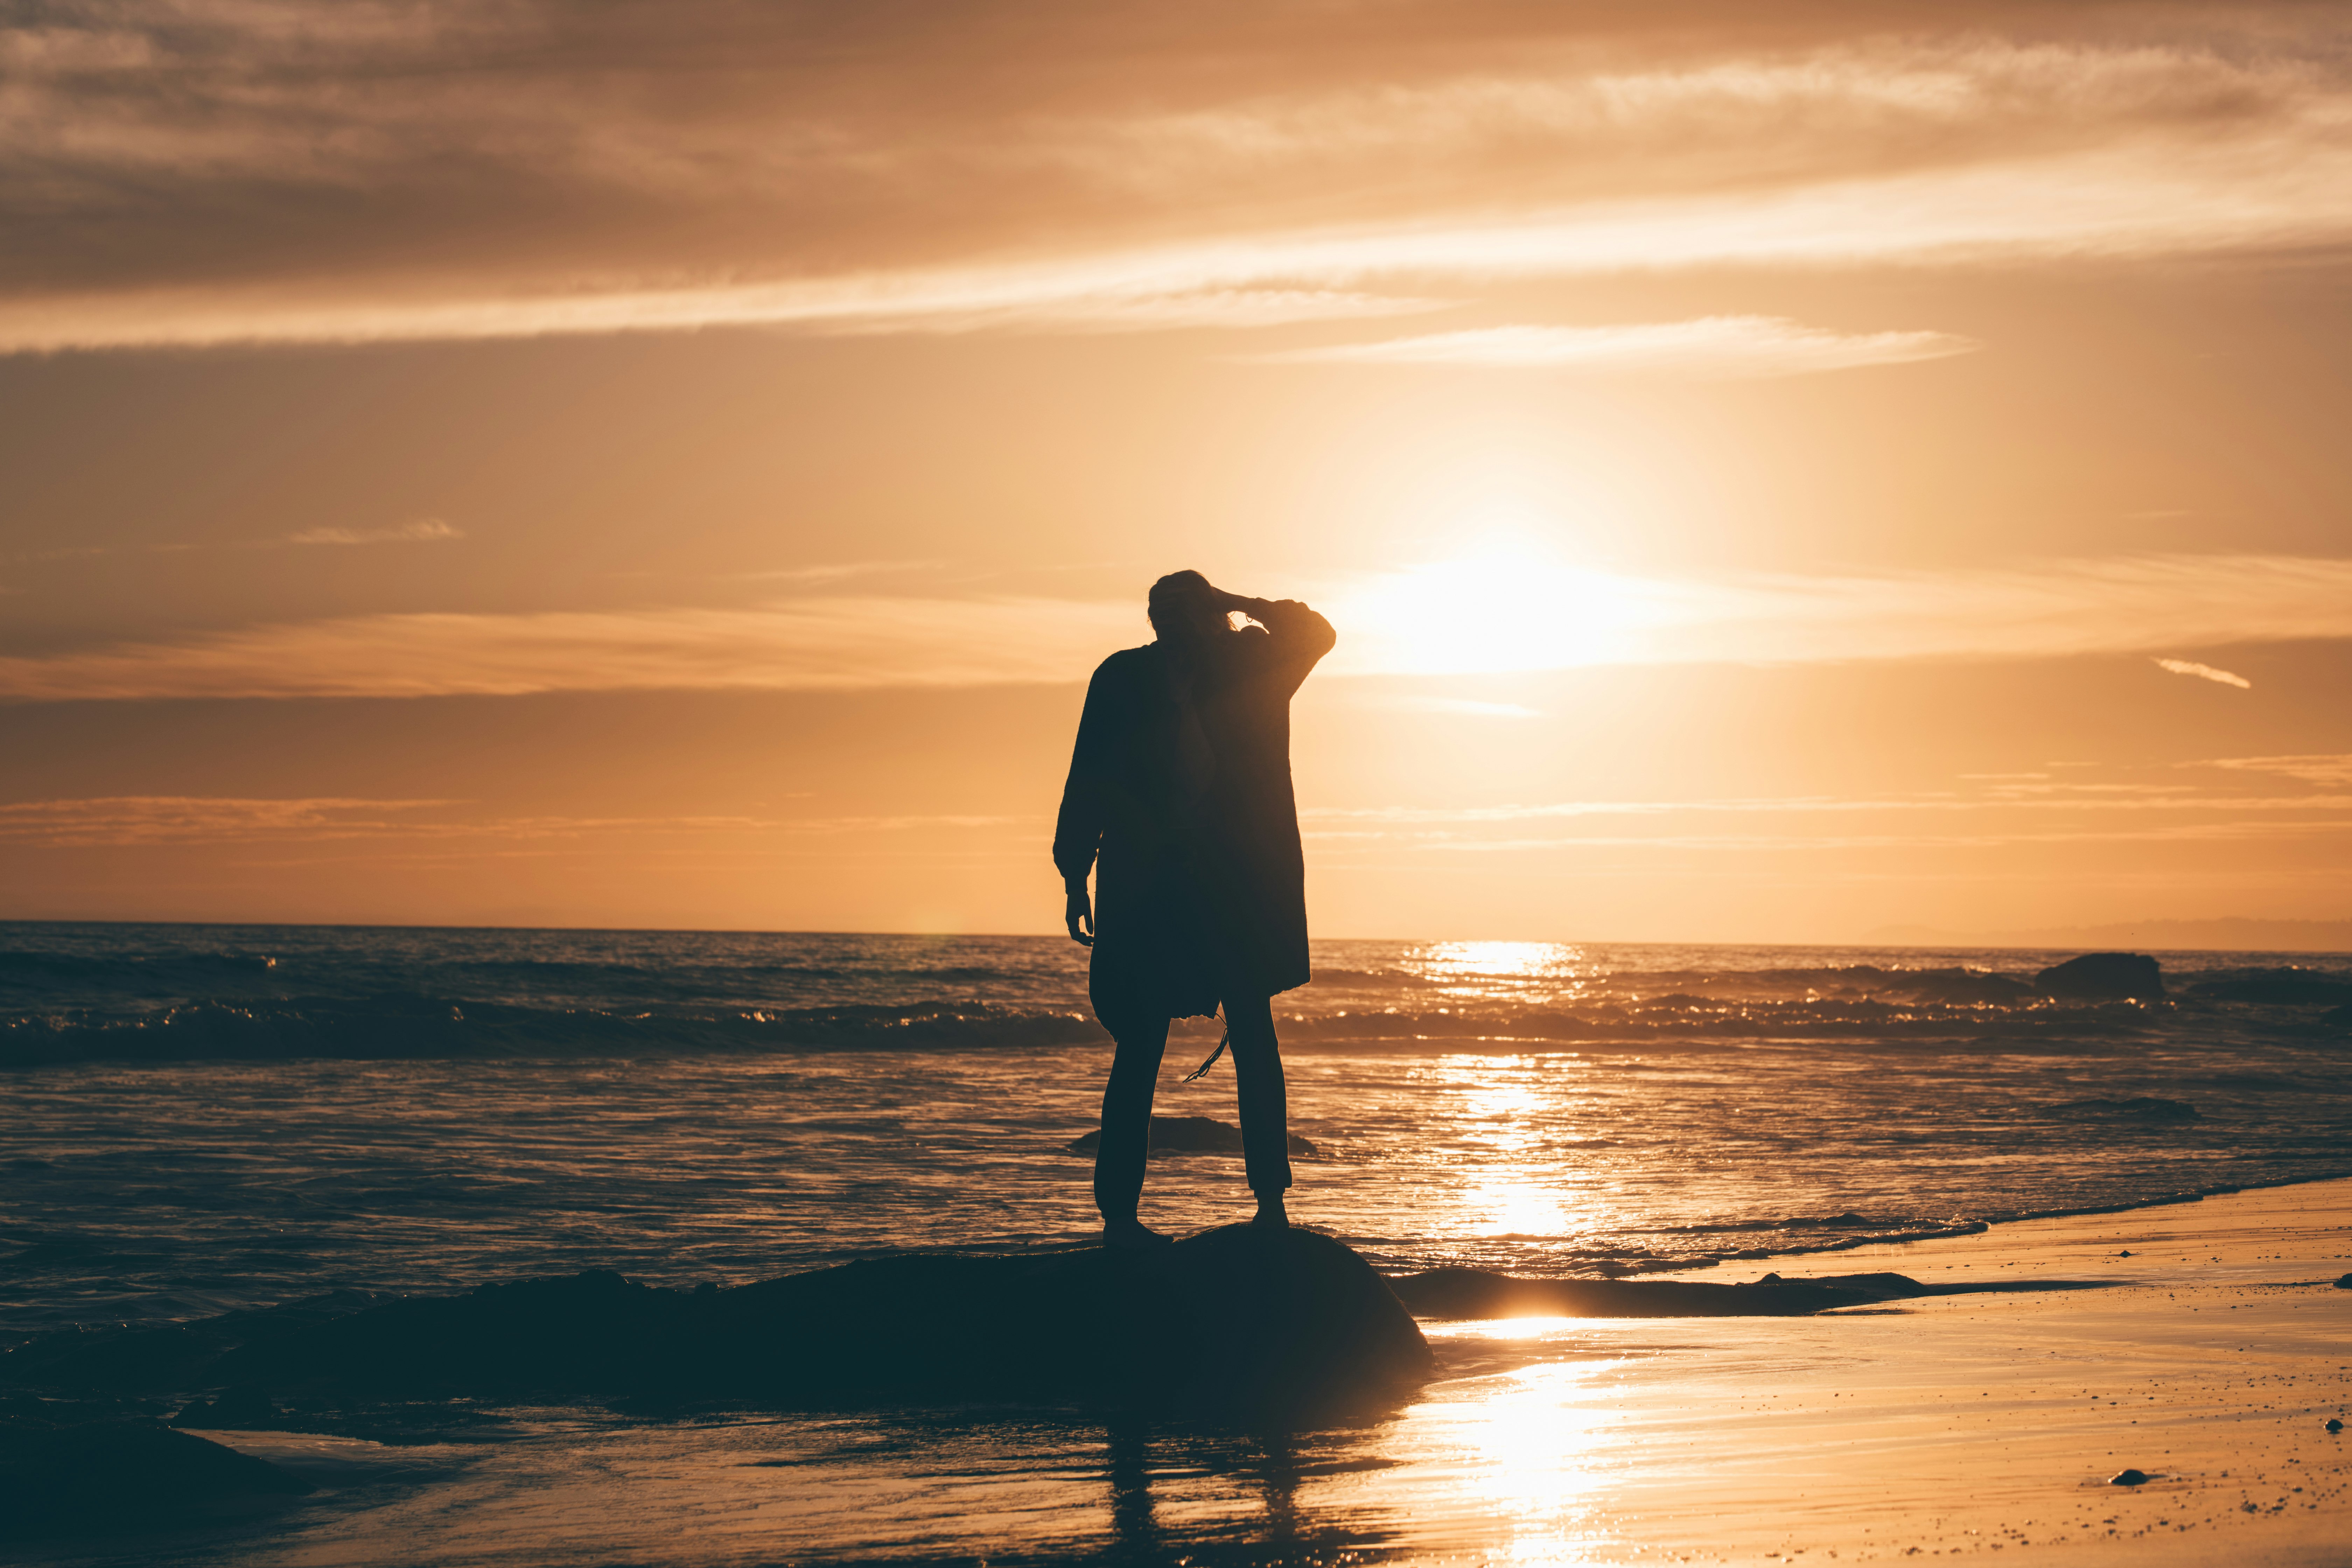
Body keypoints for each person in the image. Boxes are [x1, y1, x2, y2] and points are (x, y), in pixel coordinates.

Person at [1054, 570, 1337, 1249]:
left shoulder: (1254, 664)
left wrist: (1237, 603)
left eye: (1184, 611)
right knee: (1143, 1042)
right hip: (1150, 887)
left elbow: (1318, 632)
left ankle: (1271, 1207)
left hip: (1233, 884)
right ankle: (1120, 1219)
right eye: (1162, 614)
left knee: (1252, 1035)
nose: (1171, 625)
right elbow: (1089, 771)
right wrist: (1074, 870)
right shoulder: (1123, 679)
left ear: (1206, 614)